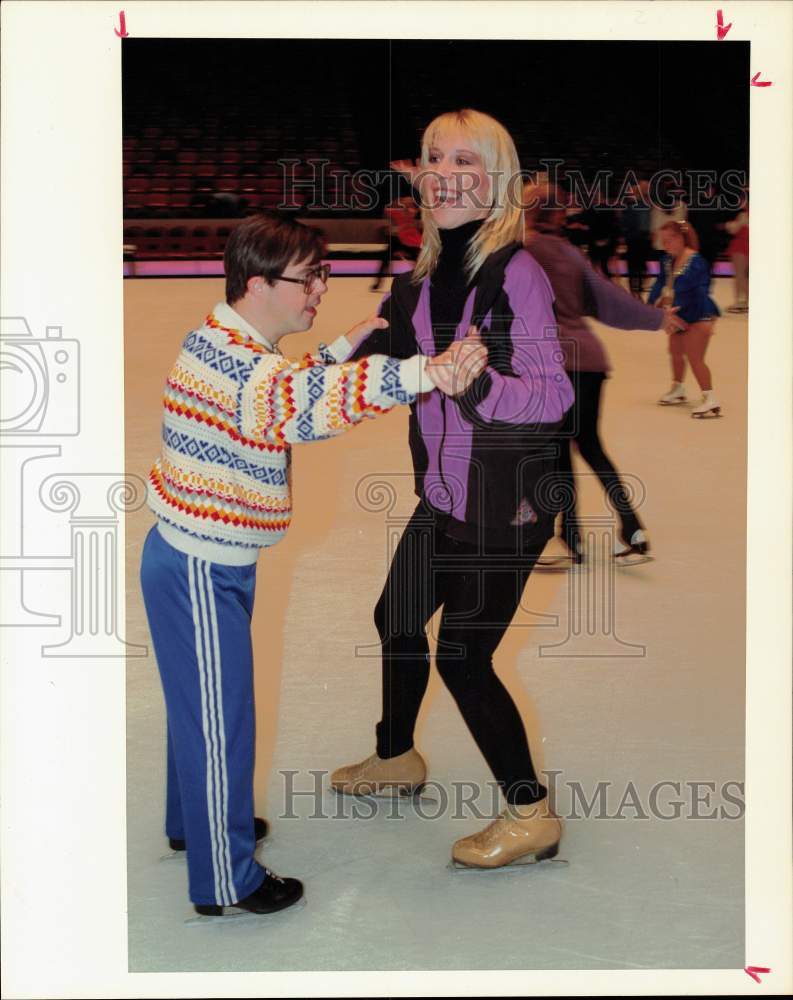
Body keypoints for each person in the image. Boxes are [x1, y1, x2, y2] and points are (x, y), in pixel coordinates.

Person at [139, 212, 486, 917]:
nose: (320, 290)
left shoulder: (223, 336)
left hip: (200, 557)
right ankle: (226, 883)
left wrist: (338, 347)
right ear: (259, 282)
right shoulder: (246, 368)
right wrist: (426, 372)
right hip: (199, 570)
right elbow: (302, 408)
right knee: (219, 721)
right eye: (309, 278)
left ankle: (194, 827)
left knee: (200, 707)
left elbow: (278, 390)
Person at [330, 109, 575, 870]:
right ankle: (396, 756)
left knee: (463, 657)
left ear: (495, 179)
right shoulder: (418, 284)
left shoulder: (514, 272)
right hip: (444, 489)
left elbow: (550, 394)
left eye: (463, 160)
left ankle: (529, 814)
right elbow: (385, 367)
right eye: (433, 157)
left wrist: (478, 387)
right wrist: (320, 363)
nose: (441, 172)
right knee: (396, 615)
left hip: (508, 495)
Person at [523, 181, 685, 565]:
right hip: (590, 361)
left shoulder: (524, 252)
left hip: (554, 363)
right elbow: (607, 300)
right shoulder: (570, 254)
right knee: (590, 445)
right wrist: (656, 317)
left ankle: (571, 539)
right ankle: (632, 528)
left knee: (558, 448)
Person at [649, 220, 722, 417]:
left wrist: (678, 309)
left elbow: (701, 292)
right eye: (663, 241)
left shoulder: (697, 261)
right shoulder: (667, 260)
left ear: (682, 238)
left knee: (695, 357)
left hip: (699, 314)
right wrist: (650, 304)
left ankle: (710, 398)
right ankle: (678, 389)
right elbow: (659, 283)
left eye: (671, 240)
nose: (667, 245)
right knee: (674, 352)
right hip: (678, 314)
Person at [370, 195, 423, 292]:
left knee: (418, 263)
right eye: (405, 203)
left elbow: (412, 213)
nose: (407, 205)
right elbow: (386, 210)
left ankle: (421, 282)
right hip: (398, 240)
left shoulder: (412, 212)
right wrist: (395, 203)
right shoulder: (397, 212)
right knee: (385, 259)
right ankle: (378, 283)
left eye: (409, 203)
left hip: (410, 242)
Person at [620, 179, 653, 298]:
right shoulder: (630, 206)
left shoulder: (646, 205)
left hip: (641, 241)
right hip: (634, 240)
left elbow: (646, 224)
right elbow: (625, 223)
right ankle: (635, 292)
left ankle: (637, 292)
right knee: (634, 268)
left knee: (638, 268)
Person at [724, 194, 749, 313]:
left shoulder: (744, 215)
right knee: (745, 275)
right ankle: (745, 300)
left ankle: (740, 301)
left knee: (740, 275)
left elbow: (734, 228)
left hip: (740, 246)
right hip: (748, 245)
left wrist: (727, 225)